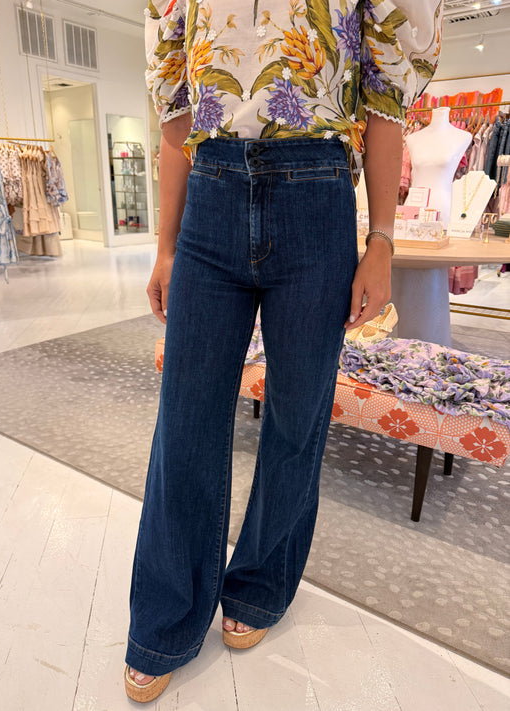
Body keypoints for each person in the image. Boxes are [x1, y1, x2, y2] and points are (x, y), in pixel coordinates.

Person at [125, 1, 443, 702]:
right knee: (185, 420)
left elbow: (383, 97)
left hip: (317, 193)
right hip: (210, 190)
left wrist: (381, 240)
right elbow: (174, 111)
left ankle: (260, 583)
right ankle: (163, 618)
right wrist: (165, 246)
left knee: (297, 418)